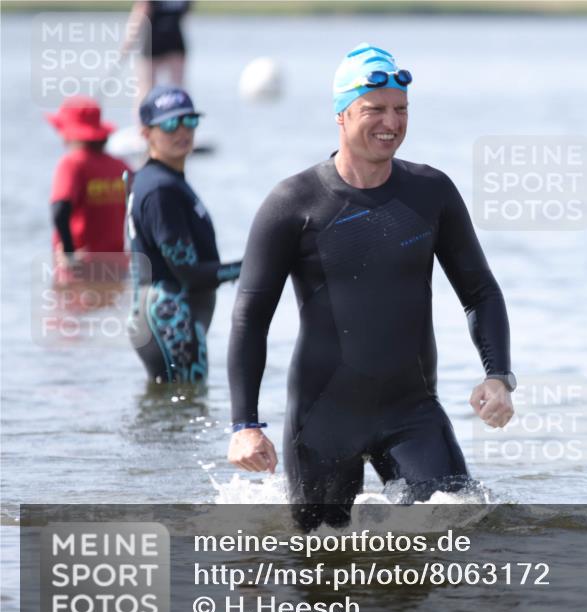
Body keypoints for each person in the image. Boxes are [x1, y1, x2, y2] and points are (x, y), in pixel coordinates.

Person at [226, 43, 516, 530]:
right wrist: (245, 426)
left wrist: (498, 376)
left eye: (401, 110)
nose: (391, 122)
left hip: (412, 411)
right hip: (323, 418)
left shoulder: (431, 192)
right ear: (341, 114)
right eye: (374, 109)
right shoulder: (293, 203)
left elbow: (480, 292)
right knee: (320, 566)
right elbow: (249, 319)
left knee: (462, 530)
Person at [127, 85, 241, 384]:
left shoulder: (158, 179)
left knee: (170, 416)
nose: (181, 131)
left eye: (189, 121)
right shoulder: (161, 189)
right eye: (169, 123)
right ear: (146, 133)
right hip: (168, 318)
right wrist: (249, 266)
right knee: (184, 410)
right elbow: (187, 273)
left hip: (159, 313)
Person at [46, 96, 131, 284]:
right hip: (116, 268)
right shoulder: (121, 167)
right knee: (110, 312)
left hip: (79, 270)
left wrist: (68, 253)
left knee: (70, 312)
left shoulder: (72, 164)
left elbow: (59, 210)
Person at [123, 1, 192, 108]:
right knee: (177, 91)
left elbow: (141, 13)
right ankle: (176, 120)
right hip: (175, 40)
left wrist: (127, 44)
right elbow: (186, 12)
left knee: (145, 90)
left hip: (153, 41)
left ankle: (143, 122)